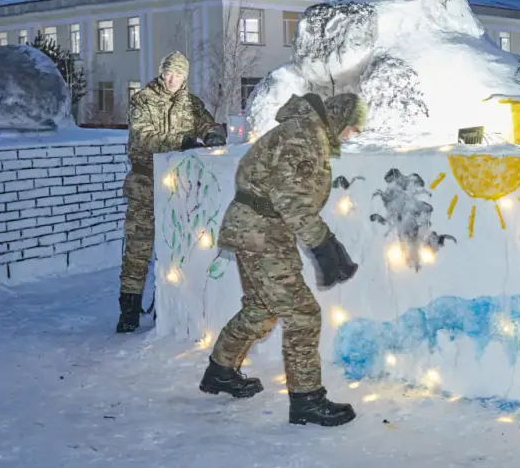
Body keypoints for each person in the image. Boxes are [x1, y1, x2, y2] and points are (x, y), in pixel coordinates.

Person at [199, 92, 367, 428]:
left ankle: (221, 370)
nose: (352, 135)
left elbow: (289, 195)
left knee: (261, 310)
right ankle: (307, 400)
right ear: (339, 118)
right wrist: (323, 245)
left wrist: (324, 243)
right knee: (303, 314)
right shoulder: (305, 134)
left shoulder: (306, 131)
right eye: (353, 128)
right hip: (262, 233)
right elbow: (290, 197)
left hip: (257, 229)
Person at [117, 51, 226, 333]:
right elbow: (143, 137)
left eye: (176, 74)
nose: (170, 78)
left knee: (178, 249)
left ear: (184, 76)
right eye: (167, 72)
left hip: (179, 189)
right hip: (145, 184)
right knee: (138, 249)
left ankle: (169, 308)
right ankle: (129, 310)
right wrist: (182, 140)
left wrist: (214, 134)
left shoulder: (191, 103)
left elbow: (208, 123)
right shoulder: (143, 100)